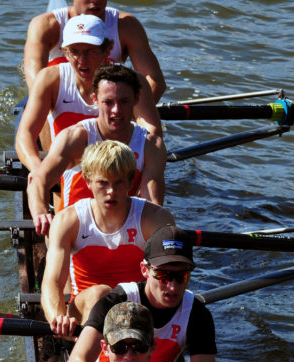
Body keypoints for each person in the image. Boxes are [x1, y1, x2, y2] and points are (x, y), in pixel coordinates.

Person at [41, 139, 175, 338]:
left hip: (136, 312)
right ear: (87, 181)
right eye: (103, 183)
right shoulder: (69, 220)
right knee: (102, 294)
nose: (111, 191)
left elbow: (172, 275)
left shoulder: (155, 219)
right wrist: (57, 317)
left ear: (130, 181)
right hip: (85, 313)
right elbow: (52, 282)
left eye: (119, 182)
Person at [65, 225, 217, 362]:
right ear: (145, 270)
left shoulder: (197, 314)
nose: (172, 287)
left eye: (181, 276)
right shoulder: (116, 301)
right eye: (163, 275)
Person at [28, 63, 167, 237]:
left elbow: (152, 204)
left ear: (137, 99)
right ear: (95, 100)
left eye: (124, 101)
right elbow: (38, 181)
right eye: (108, 102)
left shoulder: (150, 145)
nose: (116, 110)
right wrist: (41, 213)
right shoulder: (75, 139)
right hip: (73, 233)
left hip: (123, 233)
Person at [15, 13, 161, 176]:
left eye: (91, 51)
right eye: (75, 52)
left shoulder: (132, 81)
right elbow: (24, 135)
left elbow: (152, 135)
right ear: (65, 52)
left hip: (118, 173)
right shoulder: (50, 79)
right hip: (68, 170)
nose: (82, 60)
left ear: (107, 50)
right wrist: (38, 171)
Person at [23, 1, 166, 104]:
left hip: (107, 102)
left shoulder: (127, 26)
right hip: (60, 102)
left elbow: (155, 81)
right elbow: (35, 86)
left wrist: (130, 115)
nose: (96, 1)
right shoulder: (45, 25)